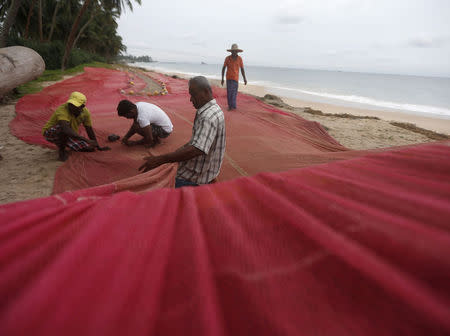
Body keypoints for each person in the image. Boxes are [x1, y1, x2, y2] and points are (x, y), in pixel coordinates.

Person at [139, 76, 225, 188]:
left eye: (193, 95)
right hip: (208, 169)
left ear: (206, 91)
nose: (191, 99)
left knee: (155, 185)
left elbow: (197, 149)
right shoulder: (215, 109)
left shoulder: (207, 117)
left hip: (197, 176)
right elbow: (197, 143)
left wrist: (160, 160)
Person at [42, 91, 108, 161]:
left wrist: (97, 146)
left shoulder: (86, 113)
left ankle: (63, 143)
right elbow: (65, 129)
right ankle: (62, 151)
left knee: (90, 148)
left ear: (82, 106)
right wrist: (86, 140)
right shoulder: (62, 109)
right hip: (50, 133)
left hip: (69, 134)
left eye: (75, 106)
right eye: (70, 104)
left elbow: (89, 129)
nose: (71, 107)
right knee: (63, 129)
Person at [221, 43, 248, 110]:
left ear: (237, 52)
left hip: (235, 78)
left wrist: (244, 79)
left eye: (235, 51)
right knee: (229, 92)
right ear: (231, 51)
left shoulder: (239, 59)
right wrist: (222, 79)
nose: (234, 52)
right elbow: (223, 68)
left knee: (234, 93)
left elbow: (242, 69)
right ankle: (230, 106)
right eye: (233, 51)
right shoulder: (227, 58)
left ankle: (233, 105)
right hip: (228, 78)